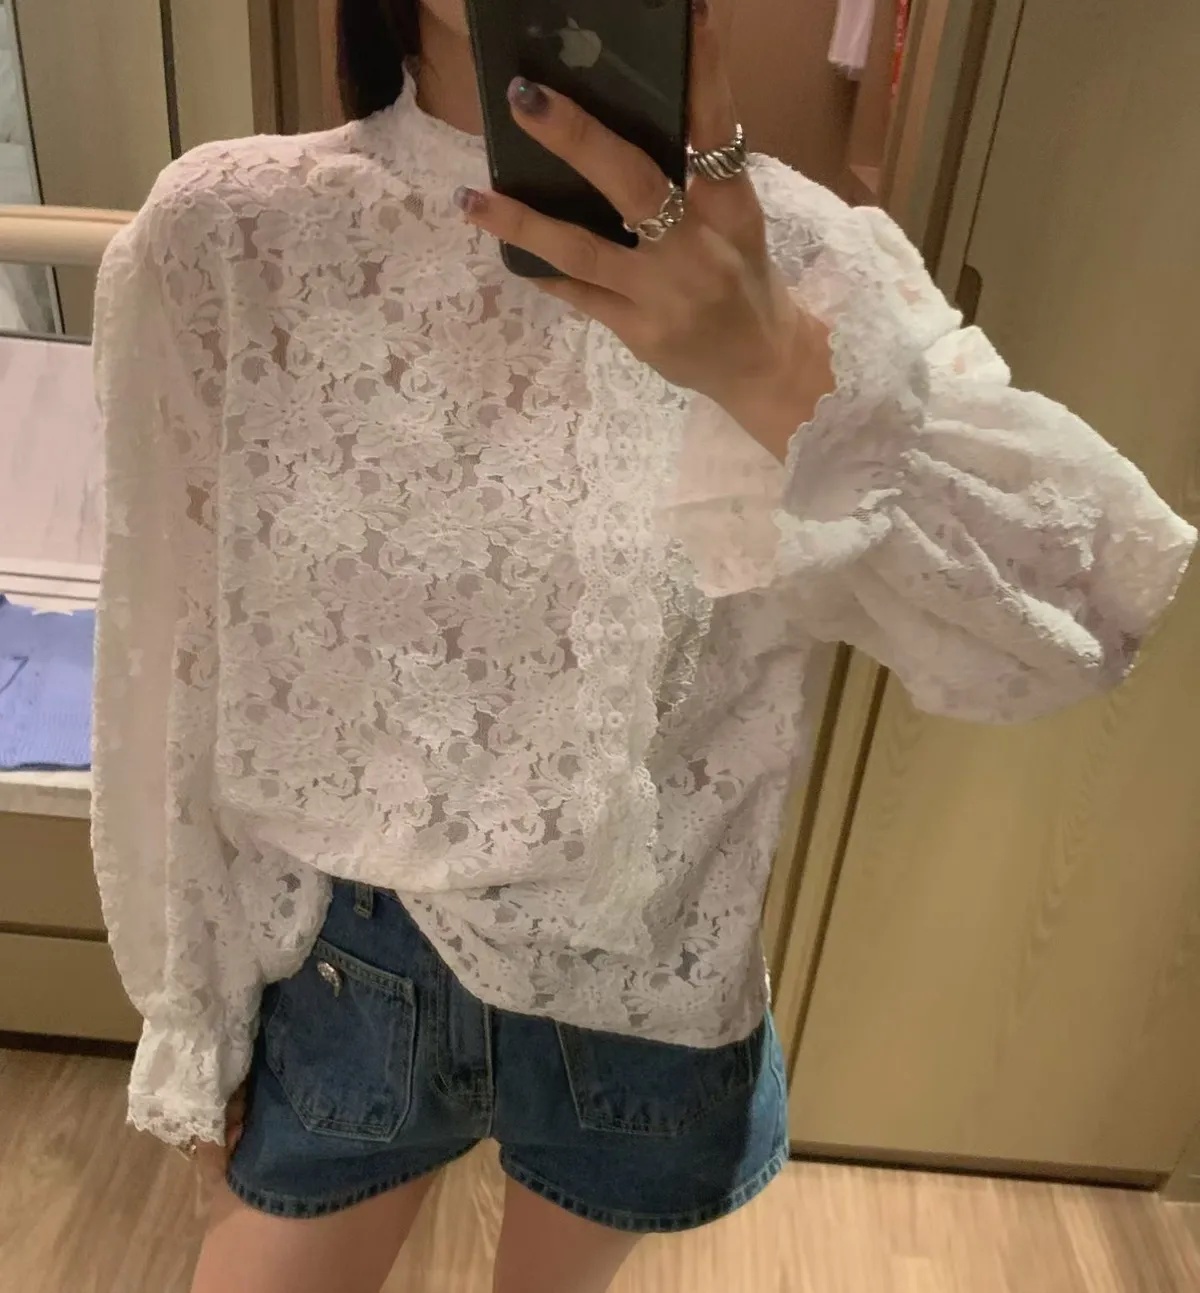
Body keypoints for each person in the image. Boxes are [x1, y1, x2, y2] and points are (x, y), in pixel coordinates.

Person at [89, 1, 1195, 1290]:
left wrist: (781, 370)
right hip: (346, 974)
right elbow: (171, 660)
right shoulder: (230, 232)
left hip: (652, 991)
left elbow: (1082, 617)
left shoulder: (794, 255)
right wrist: (192, 1010)